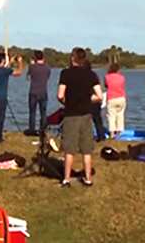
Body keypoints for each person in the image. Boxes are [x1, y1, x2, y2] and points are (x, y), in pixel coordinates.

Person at [57, 48, 103, 187]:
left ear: (73, 58)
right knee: (86, 149)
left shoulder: (65, 73)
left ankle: (66, 178)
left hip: (71, 114)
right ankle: (88, 178)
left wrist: (66, 101)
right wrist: (89, 99)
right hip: (86, 114)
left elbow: (60, 95)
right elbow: (100, 96)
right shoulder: (91, 74)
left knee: (69, 148)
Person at [0, 51, 24, 143]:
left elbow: (5, 67)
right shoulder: (4, 71)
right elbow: (19, 72)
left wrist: (10, 61)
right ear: (3, 61)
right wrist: (20, 62)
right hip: (1, 97)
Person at [26, 50, 52, 134]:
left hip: (33, 92)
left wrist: (32, 64)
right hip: (43, 92)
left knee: (32, 112)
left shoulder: (32, 67)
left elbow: (28, 77)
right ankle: (43, 129)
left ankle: (32, 129)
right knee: (43, 113)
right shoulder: (47, 67)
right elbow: (47, 77)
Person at [104, 63, 127, 138]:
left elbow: (106, 85)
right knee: (120, 115)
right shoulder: (122, 77)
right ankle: (119, 132)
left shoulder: (107, 77)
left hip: (111, 98)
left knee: (111, 116)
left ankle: (112, 133)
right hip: (121, 98)